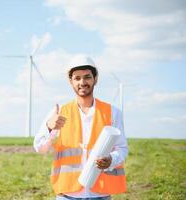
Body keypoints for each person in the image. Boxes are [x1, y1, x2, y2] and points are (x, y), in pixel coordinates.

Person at [33, 56, 128, 200]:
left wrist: (111, 160)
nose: (82, 82)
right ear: (70, 81)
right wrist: (49, 128)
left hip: (100, 193)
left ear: (95, 79)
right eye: (77, 78)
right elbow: (40, 147)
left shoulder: (113, 112)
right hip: (68, 194)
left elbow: (122, 149)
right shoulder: (58, 112)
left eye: (87, 77)